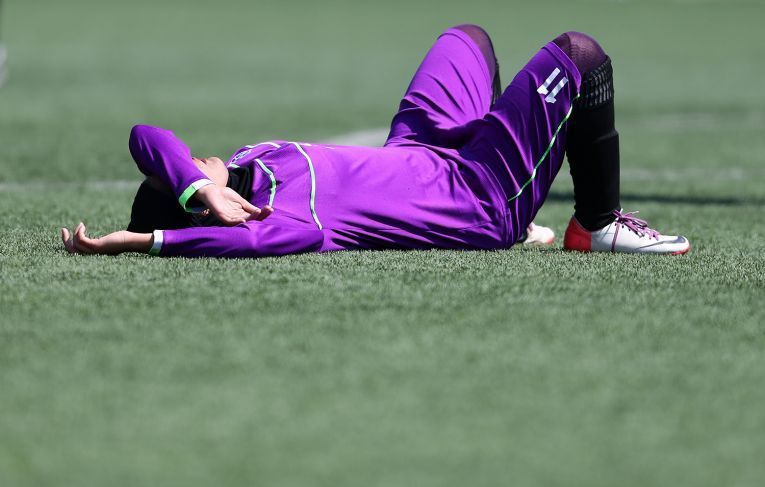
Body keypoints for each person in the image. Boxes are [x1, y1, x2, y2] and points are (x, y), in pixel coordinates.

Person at [61, 26, 690, 257]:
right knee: (581, 55)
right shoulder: (280, 221)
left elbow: (148, 137)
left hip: (417, 151)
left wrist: (197, 185)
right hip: (475, 196)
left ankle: (520, 176)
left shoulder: (245, 163)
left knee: (467, 40)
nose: (192, 158)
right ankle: (597, 224)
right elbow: (245, 243)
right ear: (209, 214)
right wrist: (148, 239)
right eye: (186, 171)